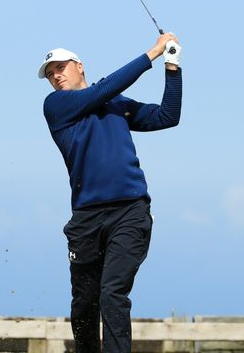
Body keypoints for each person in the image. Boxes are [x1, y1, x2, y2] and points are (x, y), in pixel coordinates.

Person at [39, 32, 183, 353]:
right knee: (84, 303)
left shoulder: (116, 105)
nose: (56, 76)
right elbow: (104, 89)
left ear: (79, 66)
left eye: (61, 68)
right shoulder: (56, 106)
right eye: (50, 74)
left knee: (112, 293)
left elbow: (167, 116)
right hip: (86, 219)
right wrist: (151, 53)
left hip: (130, 212)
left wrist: (171, 67)